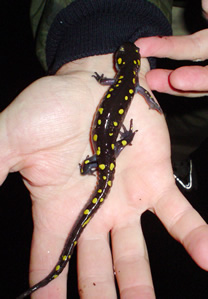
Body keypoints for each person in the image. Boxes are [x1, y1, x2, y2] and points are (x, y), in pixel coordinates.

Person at [2, 1, 207, 298]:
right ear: (130, 66)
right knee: (107, 160)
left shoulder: (123, 81)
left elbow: (128, 90)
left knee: (107, 161)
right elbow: (143, 97)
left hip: (105, 154)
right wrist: (126, 132)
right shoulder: (130, 84)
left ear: (121, 65)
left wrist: (121, 128)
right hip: (105, 155)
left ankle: (162, 160)